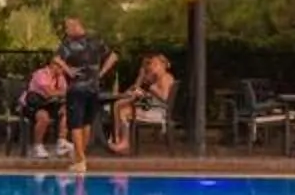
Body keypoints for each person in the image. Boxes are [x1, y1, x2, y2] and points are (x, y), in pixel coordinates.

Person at [58, 17, 116, 154]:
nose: (66, 31)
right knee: (86, 122)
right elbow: (113, 57)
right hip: (93, 87)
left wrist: (68, 70)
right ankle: (81, 155)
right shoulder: (96, 41)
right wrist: (100, 73)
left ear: (75, 26)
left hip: (77, 88)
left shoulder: (68, 44)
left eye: (68, 27)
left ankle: (79, 158)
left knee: (76, 124)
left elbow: (56, 58)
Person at [107, 52, 177, 153]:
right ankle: (117, 138)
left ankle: (124, 142)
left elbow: (164, 97)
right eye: (152, 64)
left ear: (163, 65)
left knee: (123, 111)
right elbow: (139, 87)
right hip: (154, 108)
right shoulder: (158, 78)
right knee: (120, 106)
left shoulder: (165, 78)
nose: (152, 67)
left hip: (158, 113)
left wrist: (152, 89)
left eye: (155, 64)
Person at [19, 57, 71, 160]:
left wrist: (62, 95)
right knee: (43, 117)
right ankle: (37, 146)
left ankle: (61, 142)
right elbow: (49, 93)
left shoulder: (60, 78)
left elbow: (66, 94)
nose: (63, 69)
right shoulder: (41, 74)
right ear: (53, 65)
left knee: (67, 111)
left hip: (49, 104)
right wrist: (62, 93)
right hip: (33, 105)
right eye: (61, 67)